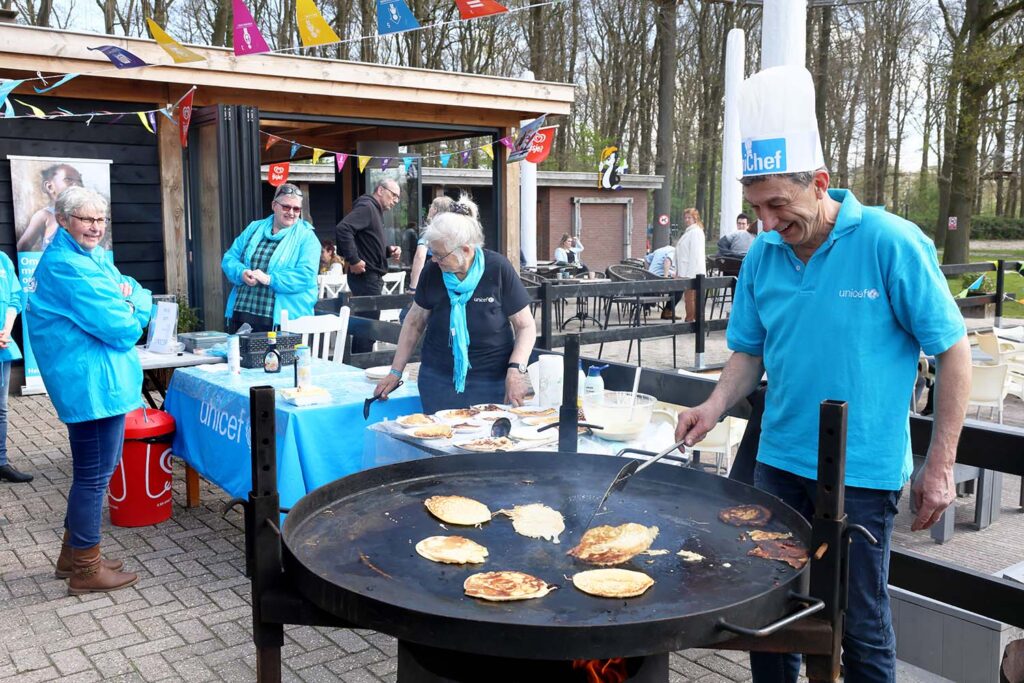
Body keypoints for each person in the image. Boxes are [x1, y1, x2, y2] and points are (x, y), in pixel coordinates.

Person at [674, 65, 971, 683]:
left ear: (820, 182)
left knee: (859, 623)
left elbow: (952, 349)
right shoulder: (763, 254)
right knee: (767, 611)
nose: (769, 222)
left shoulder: (891, 242)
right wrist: (712, 406)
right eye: (756, 209)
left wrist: (939, 465)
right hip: (777, 464)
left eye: (779, 204)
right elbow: (749, 353)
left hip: (861, 471)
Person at [27, 186, 153, 594]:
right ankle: (85, 569)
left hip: (98, 383)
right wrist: (134, 308)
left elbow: (132, 287)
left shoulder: (88, 256)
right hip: (92, 386)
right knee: (93, 477)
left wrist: (131, 299)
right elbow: (123, 328)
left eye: (100, 219)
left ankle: (72, 555)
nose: (95, 227)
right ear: (63, 220)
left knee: (94, 472)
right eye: (86, 219)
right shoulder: (69, 265)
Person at [373, 196, 535, 413]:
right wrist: (395, 372)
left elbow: (525, 326)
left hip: (491, 381)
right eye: (433, 253)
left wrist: (516, 370)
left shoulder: (497, 268)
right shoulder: (433, 272)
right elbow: (414, 322)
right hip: (437, 380)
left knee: (484, 442)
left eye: (440, 255)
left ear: (466, 250)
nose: (434, 260)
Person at [221, 183, 320, 333]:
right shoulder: (254, 228)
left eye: (296, 209)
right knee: (237, 357)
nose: (291, 213)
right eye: (286, 207)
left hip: (282, 321)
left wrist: (270, 279)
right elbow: (229, 259)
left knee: (275, 358)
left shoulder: (307, 237)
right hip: (242, 314)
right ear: (274, 205)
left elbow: (306, 275)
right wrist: (241, 273)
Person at [335, 178, 403, 353]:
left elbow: (366, 243)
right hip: (366, 277)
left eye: (397, 197)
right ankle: (361, 365)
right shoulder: (368, 207)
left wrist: (388, 251)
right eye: (393, 195)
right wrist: (354, 260)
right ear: (380, 190)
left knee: (368, 324)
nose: (395, 200)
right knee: (369, 327)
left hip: (369, 275)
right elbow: (343, 229)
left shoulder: (373, 209)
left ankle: (361, 363)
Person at [0, 250, 30, 484]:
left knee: (1, 409)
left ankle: (1, 463)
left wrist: (7, 330)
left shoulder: (3, 259)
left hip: (3, 344)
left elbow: (14, 297)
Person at [18, 163, 84, 253]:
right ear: (49, 187)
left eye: (79, 181)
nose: (76, 185)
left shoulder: (86, 216)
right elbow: (22, 248)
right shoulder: (45, 215)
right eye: (68, 179)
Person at [674, 207, 706, 322]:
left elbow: (695, 254)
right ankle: (692, 320)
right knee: (689, 298)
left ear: (695, 218)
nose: (687, 220)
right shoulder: (689, 232)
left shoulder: (696, 232)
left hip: (693, 272)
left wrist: (691, 275)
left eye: (689, 217)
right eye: (686, 218)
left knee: (691, 298)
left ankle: (691, 320)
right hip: (686, 271)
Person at [645, 244, 679, 320]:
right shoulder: (674, 251)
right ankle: (668, 311)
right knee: (680, 286)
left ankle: (667, 310)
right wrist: (665, 279)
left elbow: (646, 260)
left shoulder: (659, 250)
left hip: (649, 280)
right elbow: (667, 261)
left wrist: (649, 272)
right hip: (659, 279)